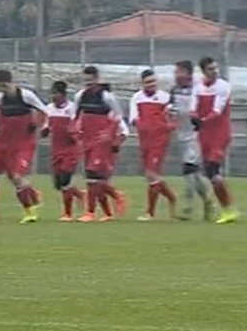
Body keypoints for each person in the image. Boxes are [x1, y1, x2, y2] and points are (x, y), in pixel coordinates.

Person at [0, 70, 46, 224]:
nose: (2, 90)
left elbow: (44, 111)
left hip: (25, 143)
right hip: (9, 143)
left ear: (11, 82)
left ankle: (30, 212)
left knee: (18, 176)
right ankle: (34, 196)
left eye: (4, 86)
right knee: (14, 179)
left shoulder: (26, 95)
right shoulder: (0, 99)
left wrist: (37, 126)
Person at [73, 67, 125, 222]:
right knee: (95, 179)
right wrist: (76, 129)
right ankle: (112, 204)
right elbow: (75, 116)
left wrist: (110, 132)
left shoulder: (106, 97)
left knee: (92, 175)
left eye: (90, 80)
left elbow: (118, 115)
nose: (88, 84)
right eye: (85, 81)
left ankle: (90, 212)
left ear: (97, 79)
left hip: (101, 142)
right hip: (86, 139)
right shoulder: (80, 96)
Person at [190, 56, 237, 224]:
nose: (215, 71)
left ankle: (228, 210)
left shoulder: (223, 86)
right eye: (211, 68)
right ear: (203, 71)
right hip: (205, 135)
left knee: (213, 169)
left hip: (220, 133)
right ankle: (227, 208)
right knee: (210, 173)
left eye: (216, 68)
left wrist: (201, 120)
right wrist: (194, 117)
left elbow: (217, 110)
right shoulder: (197, 86)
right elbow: (193, 108)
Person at [130, 69, 178, 221]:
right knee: (150, 175)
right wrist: (141, 125)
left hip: (160, 139)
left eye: (153, 81)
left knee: (151, 173)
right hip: (144, 140)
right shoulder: (137, 98)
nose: (151, 85)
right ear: (142, 83)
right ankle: (171, 197)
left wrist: (168, 126)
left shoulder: (165, 98)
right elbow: (133, 118)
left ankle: (150, 213)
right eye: (148, 82)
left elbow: (173, 116)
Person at [168, 60, 212, 220]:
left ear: (188, 73)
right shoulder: (174, 90)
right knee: (193, 173)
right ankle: (208, 201)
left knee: (189, 170)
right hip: (181, 135)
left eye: (179, 71)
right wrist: (170, 119)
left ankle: (187, 206)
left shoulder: (198, 89)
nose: (175, 75)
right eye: (175, 72)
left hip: (196, 134)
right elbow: (172, 110)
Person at [43, 81, 84, 221]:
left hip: (71, 149)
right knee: (58, 184)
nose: (53, 96)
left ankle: (67, 214)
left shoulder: (72, 108)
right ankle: (80, 195)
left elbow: (77, 126)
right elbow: (47, 125)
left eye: (56, 93)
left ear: (63, 94)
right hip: (56, 149)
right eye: (52, 93)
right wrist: (45, 130)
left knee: (65, 180)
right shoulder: (49, 108)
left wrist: (74, 132)